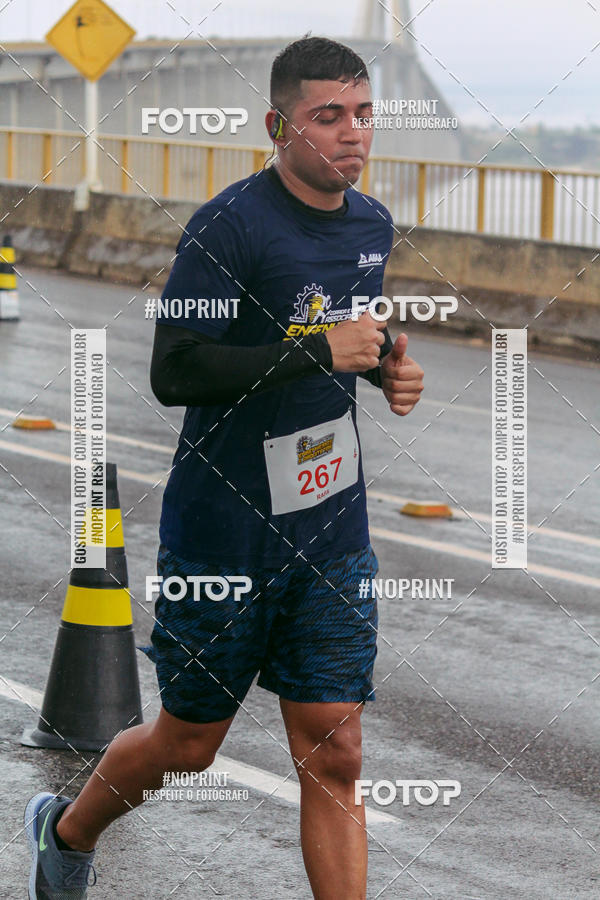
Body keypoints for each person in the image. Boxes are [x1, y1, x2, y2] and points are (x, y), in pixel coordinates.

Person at [25, 35, 424, 899]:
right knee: (187, 741)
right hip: (224, 532)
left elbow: (352, 329)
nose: (353, 134)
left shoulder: (371, 225)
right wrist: (317, 349)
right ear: (279, 126)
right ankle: (64, 832)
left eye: (364, 115)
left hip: (329, 529)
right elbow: (177, 373)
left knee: (337, 748)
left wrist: (391, 359)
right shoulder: (227, 228)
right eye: (329, 117)